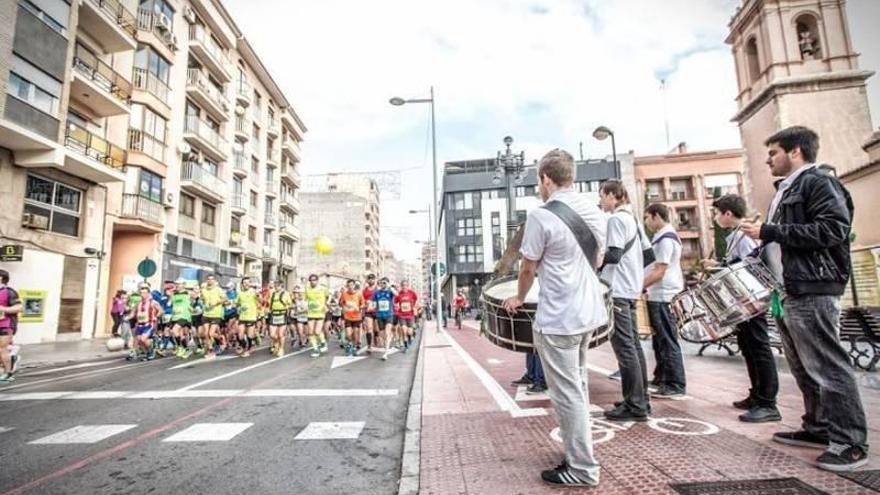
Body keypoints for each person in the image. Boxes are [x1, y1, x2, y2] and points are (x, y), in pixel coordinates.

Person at [740, 126, 868, 471]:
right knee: (803, 366)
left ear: (795, 151)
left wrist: (769, 231)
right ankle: (819, 427)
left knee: (828, 366)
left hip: (814, 288)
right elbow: (784, 241)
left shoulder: (818, 183)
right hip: (789, 290)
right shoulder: (787, 190)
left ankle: (851, 442)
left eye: (773, 153)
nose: (768, 160)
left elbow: (833, 230)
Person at [502, 149, 607, 488]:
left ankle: (582, 468)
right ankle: (577, 454)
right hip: (589, 311)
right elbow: (599, 259)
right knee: (578, 386)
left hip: (560, 315)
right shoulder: (594, 209)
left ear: (546, 178)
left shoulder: (542, 216)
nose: (539, 185)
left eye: (539, 179)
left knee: (567, 394)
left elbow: (528, 266)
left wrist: (519, 296)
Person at [704, 194, 780, 423]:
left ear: (728, 213)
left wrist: (720, 267)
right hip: (743, 301)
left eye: (718, 213)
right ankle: (756, 394)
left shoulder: (744, 235)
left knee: (759, 347)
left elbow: (751, 265)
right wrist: (718, 266)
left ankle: (767, 400)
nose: (716, 218)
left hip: (751, 299)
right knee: (748, 346)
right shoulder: (735, 236)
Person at [598, 179, 651, 421]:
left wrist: (595, 261)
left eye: (602, 196)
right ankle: (640, 399)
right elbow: (648, 254)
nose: (601, 201)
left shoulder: (617, 219)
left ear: (611, 195)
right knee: (634, 347)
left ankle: (635, 405)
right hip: (630, 288)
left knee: (625, 348)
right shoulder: (633, 219)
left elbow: (615, 254)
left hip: (618, 290)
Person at [643, 203, 687, 399]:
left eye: (647, 217)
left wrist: (639, 286)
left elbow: (660, 270)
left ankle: (675, 383)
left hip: (664, 295)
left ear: (656, 216)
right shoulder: (661, 237)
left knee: (667, 339)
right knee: (659, 339)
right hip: (658, 294)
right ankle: (661, 377)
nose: (646, 222)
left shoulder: (666, 239)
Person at [0, 269, 22, 383]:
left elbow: (19, 308)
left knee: (1, 348)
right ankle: (12, 356)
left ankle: (8, 373)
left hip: (6, 324)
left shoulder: (9, 292)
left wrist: (3, 309)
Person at [130, 283, 163, 361]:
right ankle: (148, 352)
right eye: (141, 293)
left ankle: (151, 350)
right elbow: (133, 313)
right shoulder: (138, 303)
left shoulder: (153, 302)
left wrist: (157, 315)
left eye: (145, 293)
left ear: (148, 293)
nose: (143, 294)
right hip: (140, 325)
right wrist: (127, 317)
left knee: (143, 339)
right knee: (139, 340)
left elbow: (161, 311)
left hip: (149, 324)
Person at [201, 274, 227, 360]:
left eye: (211, 279)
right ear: (206, 280)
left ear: (214, 281)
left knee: (211, 333)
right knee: (206, 334)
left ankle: (220, 338)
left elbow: (224, 299)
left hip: (215, 314)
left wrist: (215, 303)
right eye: (208, 279)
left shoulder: (218, 289)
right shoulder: (204, 290)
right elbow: (202, 300)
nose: (210, 281)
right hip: (206, 314)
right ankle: (211, 350)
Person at [304, 274, 330, 357]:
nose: (313, 281)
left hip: (320, 313)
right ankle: (315, 349)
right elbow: (305, 300)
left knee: (317, 331)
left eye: (314, 280)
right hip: (311, 312)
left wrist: (325, 305)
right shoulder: (307, 290)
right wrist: (305, 307)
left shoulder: (323, 289)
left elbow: (328, 297)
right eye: (311, 280)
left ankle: (323, 342)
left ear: (317, 280)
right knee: (310, 332)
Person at [169, 278, 193, 359]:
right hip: (175, 316)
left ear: (184, 285)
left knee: (174, 330)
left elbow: (197, 298)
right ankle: (186, 349)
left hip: (184, 316)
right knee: (180, 334)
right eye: (177, 284)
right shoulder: (174, 294)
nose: (178, 285)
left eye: (179, 284)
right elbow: (170, 303)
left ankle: (180, 347)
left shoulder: (188, 293)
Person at [340, 279, 365, 356]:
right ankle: (349, 343)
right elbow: (341, 303)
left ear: (354, 286)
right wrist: (344, 307)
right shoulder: (344, 294)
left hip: (357, 317)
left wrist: (359, 307)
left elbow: (363, 304)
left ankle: (353, 347)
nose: (350, 287)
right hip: (347, 317)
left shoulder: (359, 294)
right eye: (348, 285)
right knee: (348, 334)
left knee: (355, 335)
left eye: (351, 285)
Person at [372, 278, 396, 359]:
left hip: (389, 315)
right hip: (379, 316)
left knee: (386, 332)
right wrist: (373, 307)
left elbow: (397, 294)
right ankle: (390, 336)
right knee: (382, 335)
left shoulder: (390, 292)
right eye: (381, 283)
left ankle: (385, 353)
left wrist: (390, 287)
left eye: (384, 283)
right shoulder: (377, 293)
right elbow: (374, 303)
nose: (383, 284)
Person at [237, 277, 260, 357]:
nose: (246, 284)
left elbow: (260, 301)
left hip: (251, 317)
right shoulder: (240, 293)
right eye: (244, 282)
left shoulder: (254, 292)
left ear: (250, 284)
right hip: (242, 317)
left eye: (248, 282)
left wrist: (258, 296)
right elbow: (237, 303)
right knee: (240, 335)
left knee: (249, 335)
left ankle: (250, 346)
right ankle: (244, 347)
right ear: (242, 284)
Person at [268, 280, 292, 356]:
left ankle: (281, 348)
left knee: (280, 334)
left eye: (278, 285)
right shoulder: (273, 294)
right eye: (275, 285)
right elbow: (270, 304)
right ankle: (276, 342)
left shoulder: (286, 294)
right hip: (274, 315)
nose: (276, 287)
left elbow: (290, 304)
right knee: (272, 334)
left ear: (281, 286)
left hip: (282, 314)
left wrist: (287, 310)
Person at [394, 280, 418, 351]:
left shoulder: (412, 293)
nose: (404, 287)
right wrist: (397, 305)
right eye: (403, 285)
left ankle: (410, 337)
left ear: (408, 286)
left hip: (410, 315)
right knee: (404, 331)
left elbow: (416, 299)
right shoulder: (399, 294)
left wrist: (414, 306)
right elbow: (395, 302)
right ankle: (406, 346)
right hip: (402, 315)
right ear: (401, 286)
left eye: (406, 285)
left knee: (409, 332)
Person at [362, 274, 378, 351]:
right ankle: (369, 346)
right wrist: (366, 303)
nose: (371, 280)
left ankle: (376, 336)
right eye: (369, 279)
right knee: (369, 328)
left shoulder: (378, 289)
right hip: (368, 312)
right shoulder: (364, 290)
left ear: (375, 280)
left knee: (376, 329)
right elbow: (362, 300)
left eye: (372, 279)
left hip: (377, 312)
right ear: (367, 280)